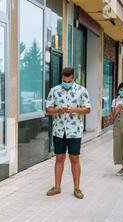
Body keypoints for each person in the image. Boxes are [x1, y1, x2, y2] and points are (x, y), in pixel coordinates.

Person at [45, 67, 91, 199]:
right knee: (59, 158)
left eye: (69, 81)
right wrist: (57, 110)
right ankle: (57, 187)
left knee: (74, 158)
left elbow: (88, 109)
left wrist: (74, 110)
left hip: (74, 130)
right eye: (64, 80)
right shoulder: (54, 90)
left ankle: (77, 188)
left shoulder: (82, 91)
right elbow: (48, 109)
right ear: (61, 78)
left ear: (73, 78)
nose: (67, 82)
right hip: (59, 130)